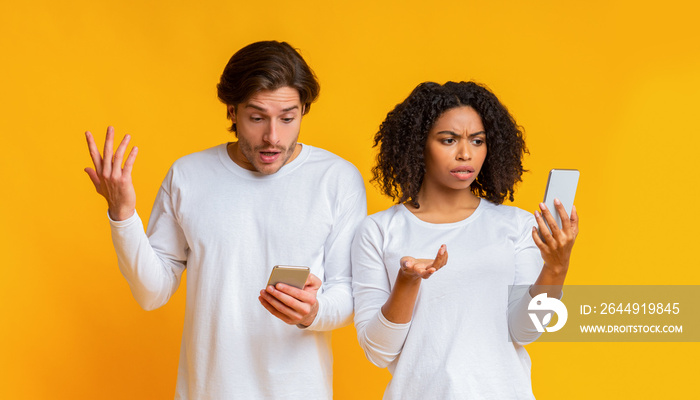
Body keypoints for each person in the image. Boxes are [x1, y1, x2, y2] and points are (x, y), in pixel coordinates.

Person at [84, 41, 366, 399]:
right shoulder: (188, 175)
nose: (272, 137)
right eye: (257, 117)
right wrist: (122, 215)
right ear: (232, 111)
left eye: (288, 118)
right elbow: (151, 292)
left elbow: (347, 292)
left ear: (304, 109)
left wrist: (314, 311)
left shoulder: (337, 179)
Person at [351, 81, 578, 399]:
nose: (465, 153)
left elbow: (525, 330)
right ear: (419, 145)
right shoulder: (378, 231)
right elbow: (378, 351)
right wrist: (408, 280)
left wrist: (556, 267)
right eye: (448, 140)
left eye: (477, 140)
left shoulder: (515, 225)